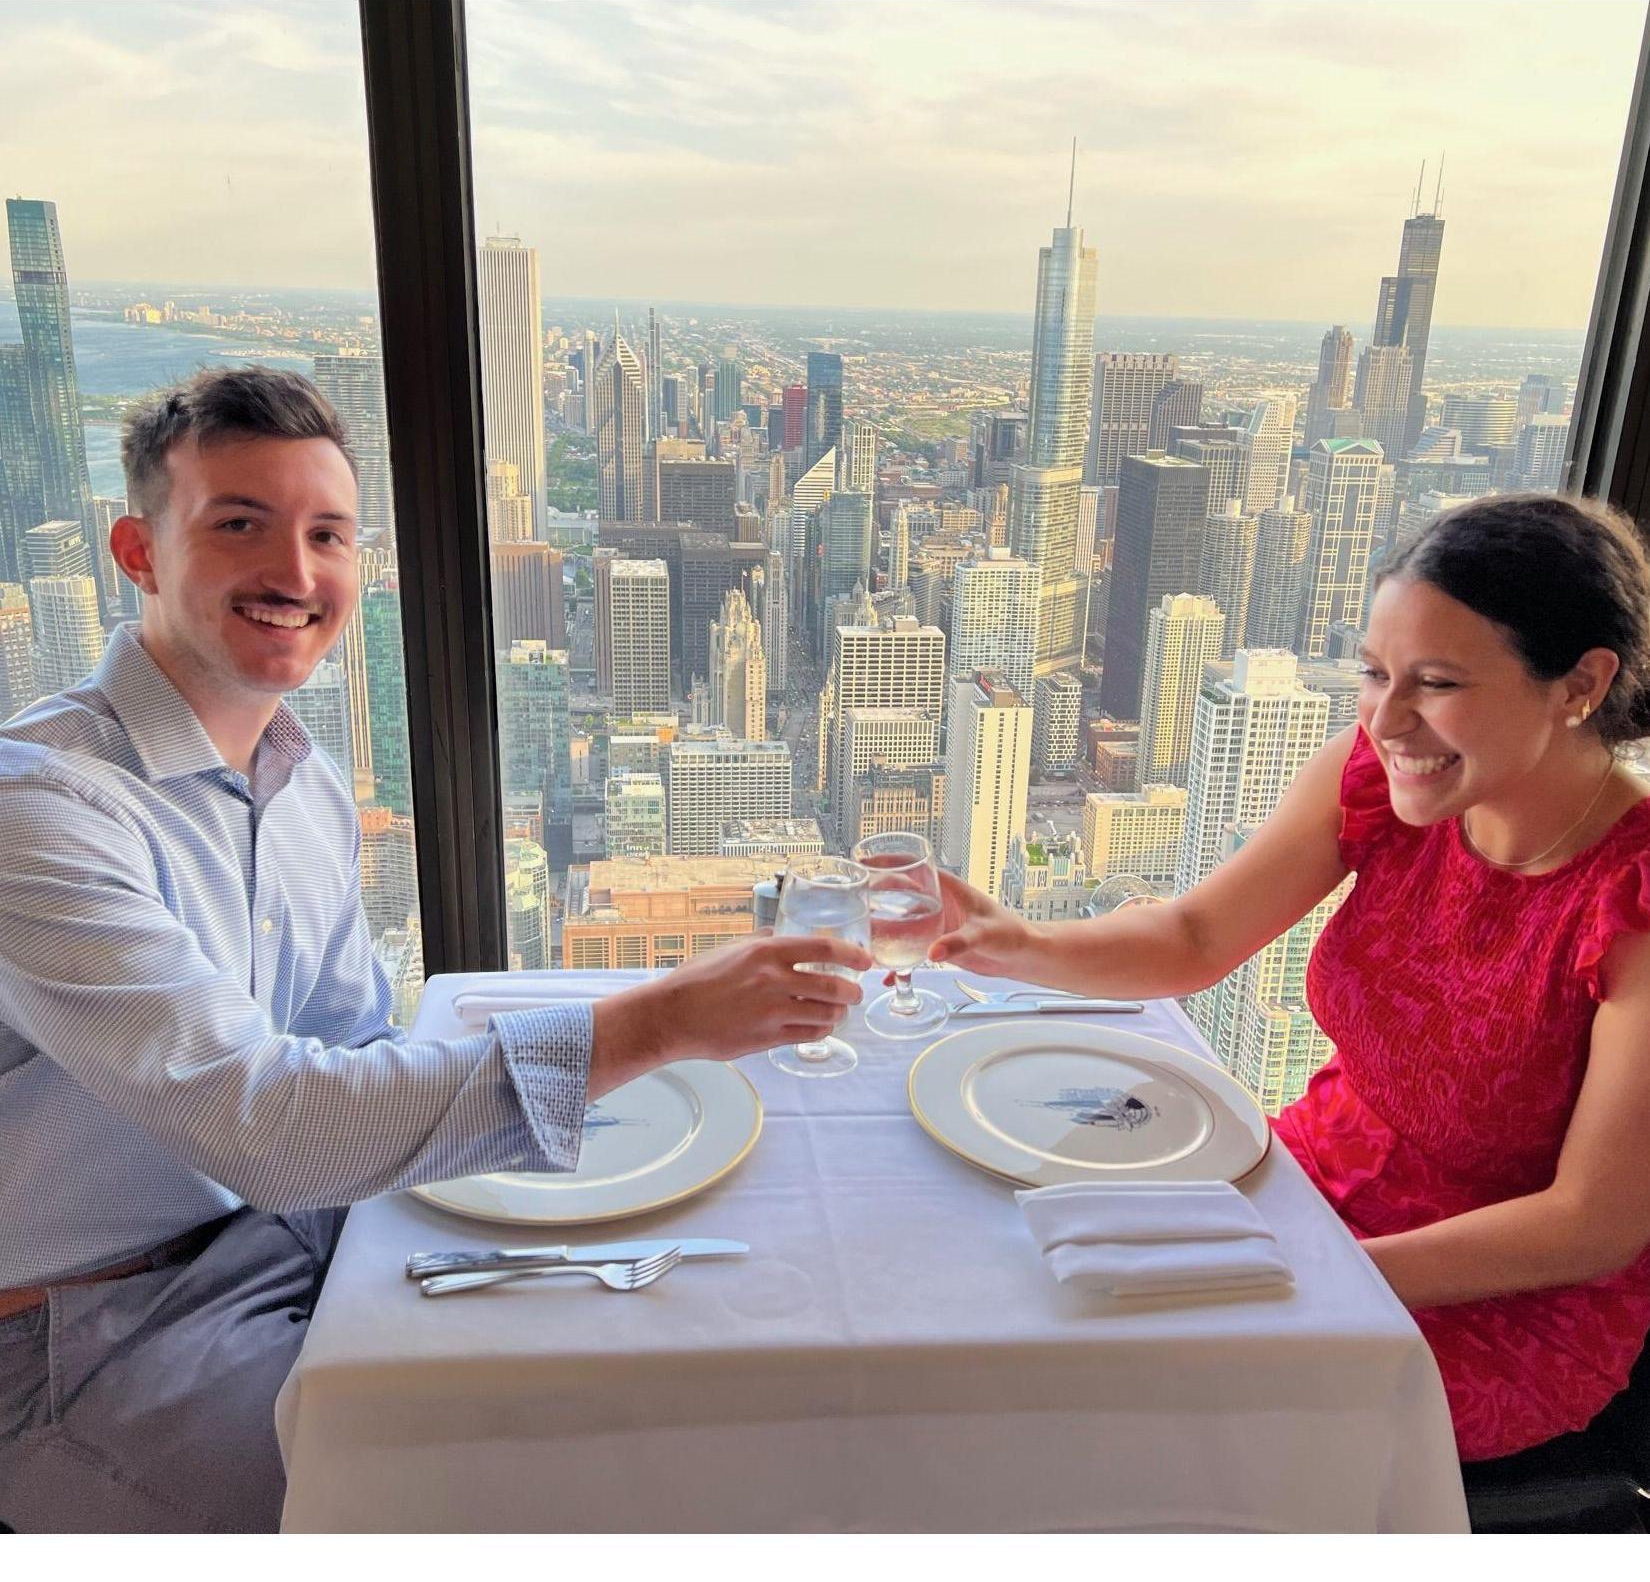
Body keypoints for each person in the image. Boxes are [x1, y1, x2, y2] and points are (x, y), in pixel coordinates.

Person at [0, 367, 871, 1533]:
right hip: (86, 1334)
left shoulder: (300, 783)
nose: (297, 575)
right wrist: (658, 1024)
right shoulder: (40, 808)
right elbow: (261, 1121)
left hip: (296, 1245)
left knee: (646, 1390)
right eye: (239, 525)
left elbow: (358, 1049)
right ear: (139, 550)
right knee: (494, 1506)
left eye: (328, 535)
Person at [925, 492, 1650, 1465]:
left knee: (1144, 1424)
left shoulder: (1633, 895)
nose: (1387, 720)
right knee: (1029, 1279)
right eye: (1375, 673)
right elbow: (1193, 936)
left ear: (1581, 685)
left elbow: (1590, 1227)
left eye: (1435, 683)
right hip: (1314, 1177)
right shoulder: (1385, 780)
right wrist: (1011, 942)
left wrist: (1317, 1270)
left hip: (1502, 1295)